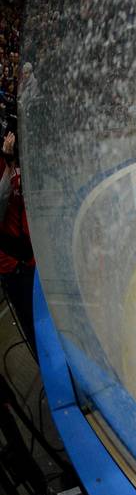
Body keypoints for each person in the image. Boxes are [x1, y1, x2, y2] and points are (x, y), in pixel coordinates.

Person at [0, 129, 35, 359]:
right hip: (13, 265)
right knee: (33, 328)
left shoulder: (19, 153)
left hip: (33, 256)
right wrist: (8, 164)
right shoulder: (6, 160)